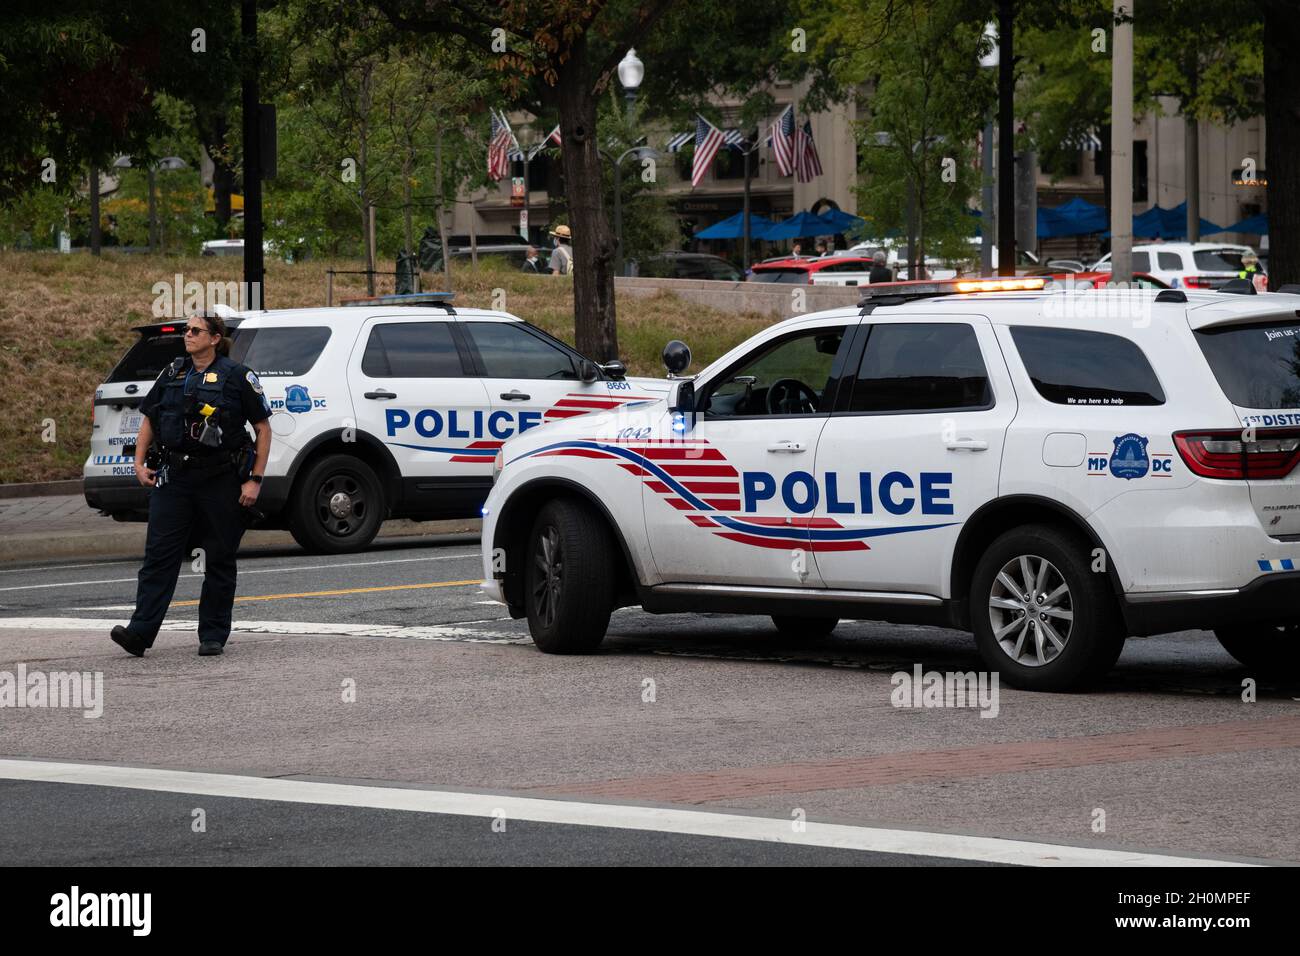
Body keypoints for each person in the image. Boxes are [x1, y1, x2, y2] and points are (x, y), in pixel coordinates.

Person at [111, 311, 272, 658]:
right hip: (174, 479)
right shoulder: (173, 372)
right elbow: (150, 418)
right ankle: (140, 632)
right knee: (159, 556)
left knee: (219, 556)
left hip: (220, 479)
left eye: (196, 330)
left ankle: (213, 634)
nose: (188, 335)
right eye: (187, 330)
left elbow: (262, 428)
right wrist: (138, 462)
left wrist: (254, 480)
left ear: (215, 338)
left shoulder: (237, 376)